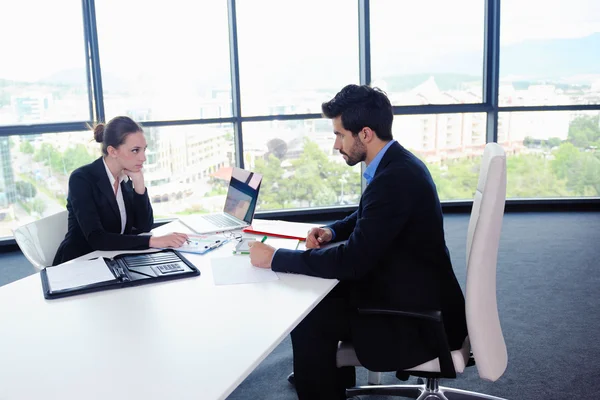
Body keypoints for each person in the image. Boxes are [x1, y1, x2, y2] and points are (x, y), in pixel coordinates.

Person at [248, 85, 468, 400]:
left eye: (340, 135)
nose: (336, 145)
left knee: (310, 315)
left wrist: (274, 258)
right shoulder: (396, 164)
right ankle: (323, 379)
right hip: (415, 291)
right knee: (319, 302)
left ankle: (321, 384)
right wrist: (332, 231)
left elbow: (352, 261)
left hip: (417, 318)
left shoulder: (394, 179)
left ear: (364, 134)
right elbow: (366, 215)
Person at [53, 116, 189, 265]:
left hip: (113, 260)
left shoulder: (124, 179)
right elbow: (97, 239)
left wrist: (139, 185)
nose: (143, 158)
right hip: (79, 264)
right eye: (135, 150)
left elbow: (144, 227)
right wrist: (153, 241)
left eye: (144, 150)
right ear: (112, 151)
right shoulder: (82, 179)